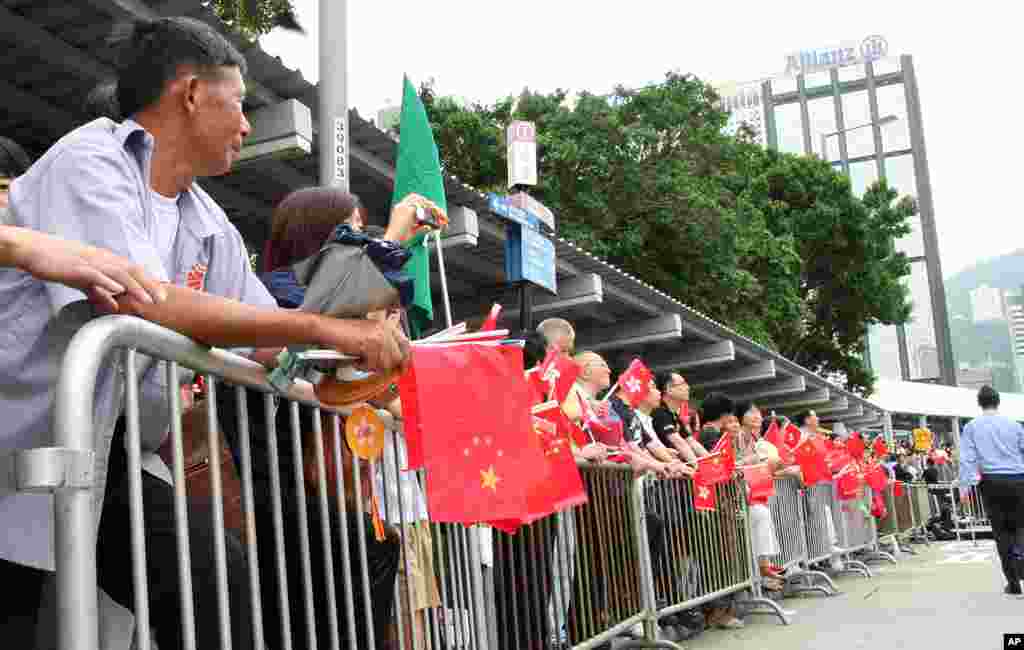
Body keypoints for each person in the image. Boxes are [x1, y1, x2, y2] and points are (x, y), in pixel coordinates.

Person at [0, 16, 409, 647]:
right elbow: (149, 302)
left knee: (215, 577)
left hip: (103, 452)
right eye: (239, 103)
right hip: (17, 441)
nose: (247, 125)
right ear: (191, 94)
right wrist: (323, 325)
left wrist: (341, 348)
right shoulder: (91, 159)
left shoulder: (208, 220)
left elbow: (262, 337)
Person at [958, 385, 1024, 596]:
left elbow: (967, 459)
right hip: (1018, 480)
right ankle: (1021, 559)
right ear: (998, 401)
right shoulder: (1014, 425)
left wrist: (964, 489)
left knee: (1001, 532)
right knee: (1020, 526)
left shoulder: (971, 427)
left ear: (980, 403)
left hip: (991, 482)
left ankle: (1013, 582)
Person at [734, 401, 786, 593]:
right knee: (761, 516)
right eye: (750, 413)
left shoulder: (754, 441)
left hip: (753, 493)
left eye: (758, 413)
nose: (757, 416)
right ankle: (762, 569)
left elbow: (761, 466)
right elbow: (733, 465)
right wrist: (757, 461)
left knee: (763, 516)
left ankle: (763, 567)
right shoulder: (736, 437)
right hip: (737, 497)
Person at [651, 372, 710, 463]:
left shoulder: (674, 415)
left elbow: (691, 442)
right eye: (683, 384)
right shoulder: (659, 413)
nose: (688, 387)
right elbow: (679, 442)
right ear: (668, 389)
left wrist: (711, 460)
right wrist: (699, 467)